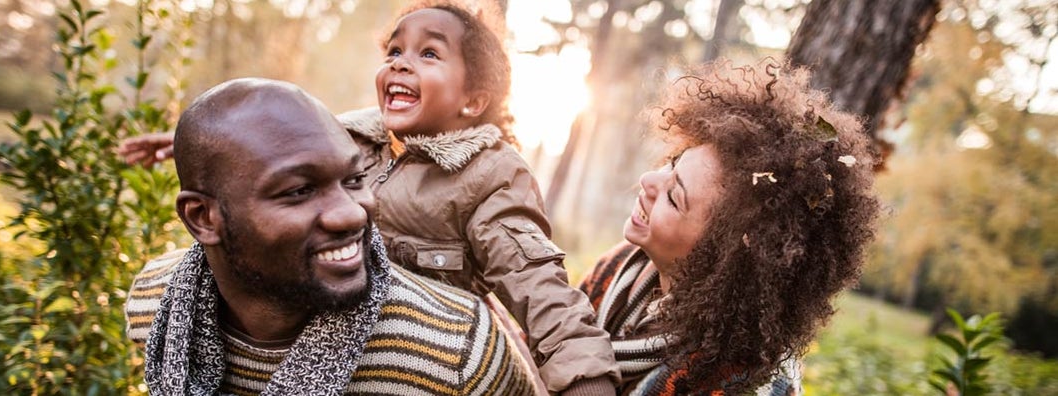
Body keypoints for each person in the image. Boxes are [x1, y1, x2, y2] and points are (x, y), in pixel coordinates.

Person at [119, 2, 619, 394]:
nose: (401, 64)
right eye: (394, 52)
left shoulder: (488, 175)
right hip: (320, 315)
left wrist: (584, 377)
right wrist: (182, 143)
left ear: (473, 100)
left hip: (419, 344)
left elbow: (538, 284)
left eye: (428, 54)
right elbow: (258, 148)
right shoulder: (353, 138)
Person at [124, 77, 539, 395]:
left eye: (355, 178)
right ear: (203, 218)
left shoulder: (457, 352)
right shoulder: (151, 304)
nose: (351, 212)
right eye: (298, 191)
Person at [578, 59, 881, 395]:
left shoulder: (747, 385)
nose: (648, 180)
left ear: (721, 255)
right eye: (673, 163)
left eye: (674, 198)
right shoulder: (621, 266)